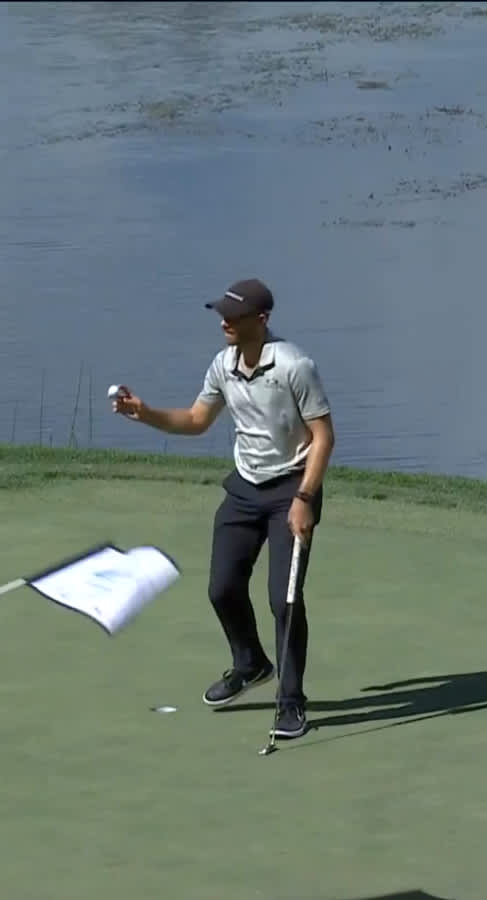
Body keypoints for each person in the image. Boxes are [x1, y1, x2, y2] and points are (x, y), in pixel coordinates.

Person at [111, 277, 334, 740]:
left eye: (233, 316)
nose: (224, 323)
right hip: (244, 490)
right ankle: (250, 663)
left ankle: (291, 702)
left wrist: (305, 499)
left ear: (262, 319)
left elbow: (323, 437)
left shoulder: (294, 365)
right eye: (222, 315)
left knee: (284, 600)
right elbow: (196, 420)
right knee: (221, 589)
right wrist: (146, 413)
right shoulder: (223, 365)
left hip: (290, 490)